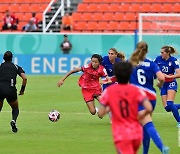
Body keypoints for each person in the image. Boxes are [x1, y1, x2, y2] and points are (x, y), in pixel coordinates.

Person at [98, 61, 153, 154]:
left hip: (121, 133)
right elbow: (149, 108)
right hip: (136, 132)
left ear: (116, 74)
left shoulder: (109, 91)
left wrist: (110, 106)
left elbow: (101, 113)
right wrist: (138, 117)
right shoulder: (136, 90)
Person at [129, 41, 169, 154]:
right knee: (146, 123)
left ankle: (161, 147)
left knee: (144, 123)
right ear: (146, 51)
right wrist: (159, 85)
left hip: (137, 97)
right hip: (151, 97)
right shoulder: (151, 64)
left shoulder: (130, 63)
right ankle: (146, 152)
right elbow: (161, 78)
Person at [0, 51, 27, 133]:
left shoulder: (0, 66)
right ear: (12, 58)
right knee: (15, 108)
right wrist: (22, 90)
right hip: (11, 90)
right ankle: (13, 120)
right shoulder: (16, 66)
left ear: (3, 58)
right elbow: (24, 78)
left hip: (0, 90)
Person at [154, 46, 180, 125]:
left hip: (171, 83)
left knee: (170, 103)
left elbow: (179, 74)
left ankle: (179, 121)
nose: (161, 54)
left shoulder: (173, 61)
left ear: (168, 53)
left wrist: (169, 76)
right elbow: (153, 69)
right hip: (163, 84)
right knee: (167, 108)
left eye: (162, 52)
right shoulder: (158, 59)